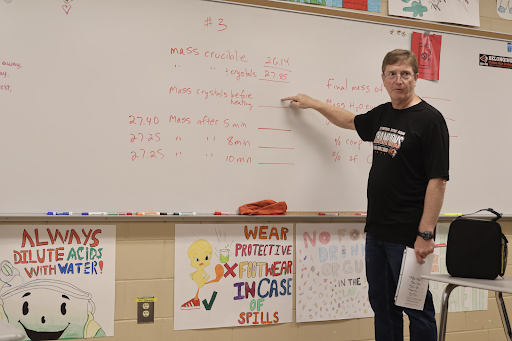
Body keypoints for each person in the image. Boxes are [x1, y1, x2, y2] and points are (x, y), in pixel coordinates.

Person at [281, 49, 449, 341]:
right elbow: (350, 122)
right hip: (377, 233)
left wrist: (425, 233)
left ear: (416, 78)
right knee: (383, 308)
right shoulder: (384, 113)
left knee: (417, 309)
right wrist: (313, 104)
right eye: (392, 74)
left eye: (405, 74)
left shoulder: (429, 120)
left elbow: (438, 181)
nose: (399, 80)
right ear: (383, 79)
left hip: (409, 236)